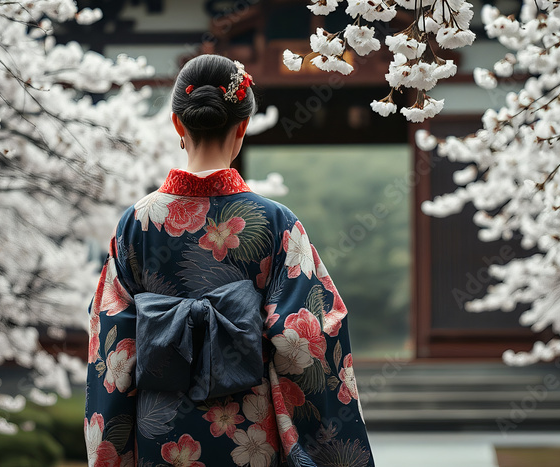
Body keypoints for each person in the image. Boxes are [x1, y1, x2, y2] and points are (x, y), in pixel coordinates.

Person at [84, 54, 374, 467]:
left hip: (160, 438)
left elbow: (112, 347)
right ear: (243, 127)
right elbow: (304, 339)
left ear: (176, 125)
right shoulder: (277, 223)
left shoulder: (136, 224)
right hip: (248, 437)